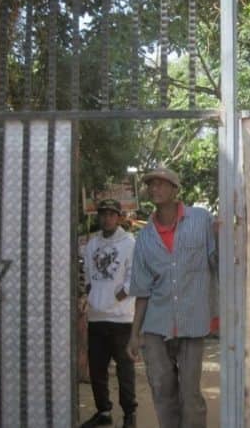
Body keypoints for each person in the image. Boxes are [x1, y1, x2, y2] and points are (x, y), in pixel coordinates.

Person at [127, 166, 217, 428]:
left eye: (162, 184)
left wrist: (225, 235)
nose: (155, 188)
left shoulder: (201, 220)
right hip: (156, 324)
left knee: (190, 395)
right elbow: (142, 290)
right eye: (151, 185)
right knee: (162, 391)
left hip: (192, 321)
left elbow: (218, 261)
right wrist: (135, 333)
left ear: (175, 189)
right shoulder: (144, 237)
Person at [81, 199, 137, 428]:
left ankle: (129, 415)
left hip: (121, 318)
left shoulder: (129, 242)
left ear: (119, 217)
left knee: (125, 369)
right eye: (103, 214)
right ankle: (103, 412)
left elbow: (135, 275)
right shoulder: (92, 244)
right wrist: (92, 295)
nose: (107, 218)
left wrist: (119, 296)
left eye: (112, 214)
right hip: (96, 316)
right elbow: (87, 273)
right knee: (97, 368)